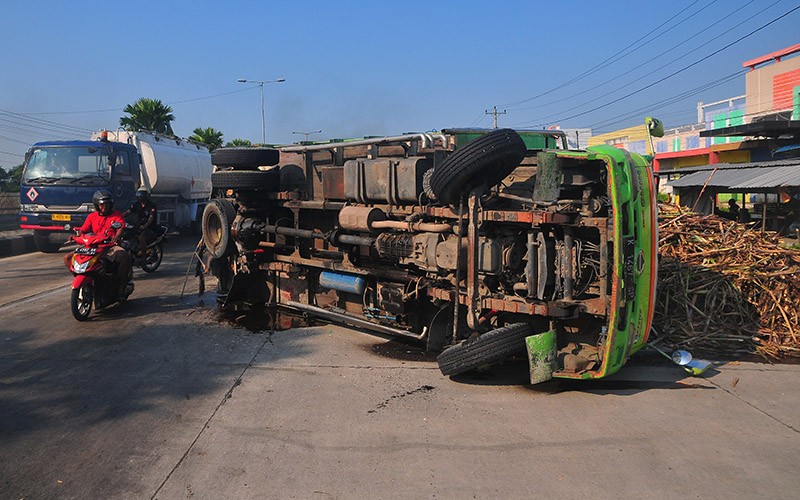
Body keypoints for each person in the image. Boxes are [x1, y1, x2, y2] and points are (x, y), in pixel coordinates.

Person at [71, 190, 132, 296]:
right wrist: (77, 235)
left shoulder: (117, 215)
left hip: (110, 246)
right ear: (97, 205)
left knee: (124, 256)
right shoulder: (92, 216)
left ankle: (121, 286)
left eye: (107, 204)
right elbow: (83, 230)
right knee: (68, 258)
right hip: (94, 246)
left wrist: (117, 237)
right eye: (102, 204)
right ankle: (83, 278)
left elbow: (121, 228)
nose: (105, 207)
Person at [123, 188, 158, 255]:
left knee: (141, 238)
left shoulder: (151, 206)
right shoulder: (136, 204)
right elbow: (128, 212)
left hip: (149, 228)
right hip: (137, 226)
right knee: (126, 235)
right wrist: (119, 217)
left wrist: (145, 226)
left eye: (142, 195)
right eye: (140, 195)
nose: (141, 197)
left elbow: (151, 218)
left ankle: (144, 257)